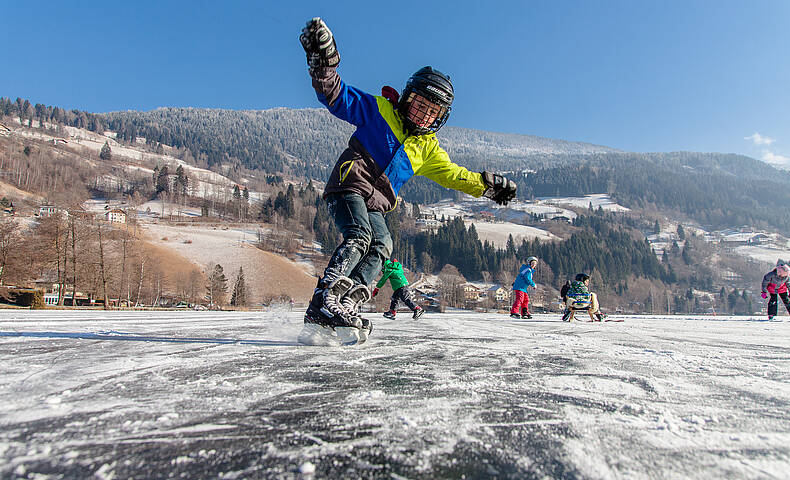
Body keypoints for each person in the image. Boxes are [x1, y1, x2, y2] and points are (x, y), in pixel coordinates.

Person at [298, 18, 517, 342]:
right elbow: (337, 96)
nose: (422, 115)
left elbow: (455, 175)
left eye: (431, 112)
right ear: (407, 98)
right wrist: (325, 64)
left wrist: (487, 186)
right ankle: (324, 298)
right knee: (359, 236)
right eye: (418, 105)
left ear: (439, 119)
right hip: (349, 184)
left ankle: (347, 300)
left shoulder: (427, 149)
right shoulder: (380, 111)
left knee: (382, 244)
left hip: (377, 203)